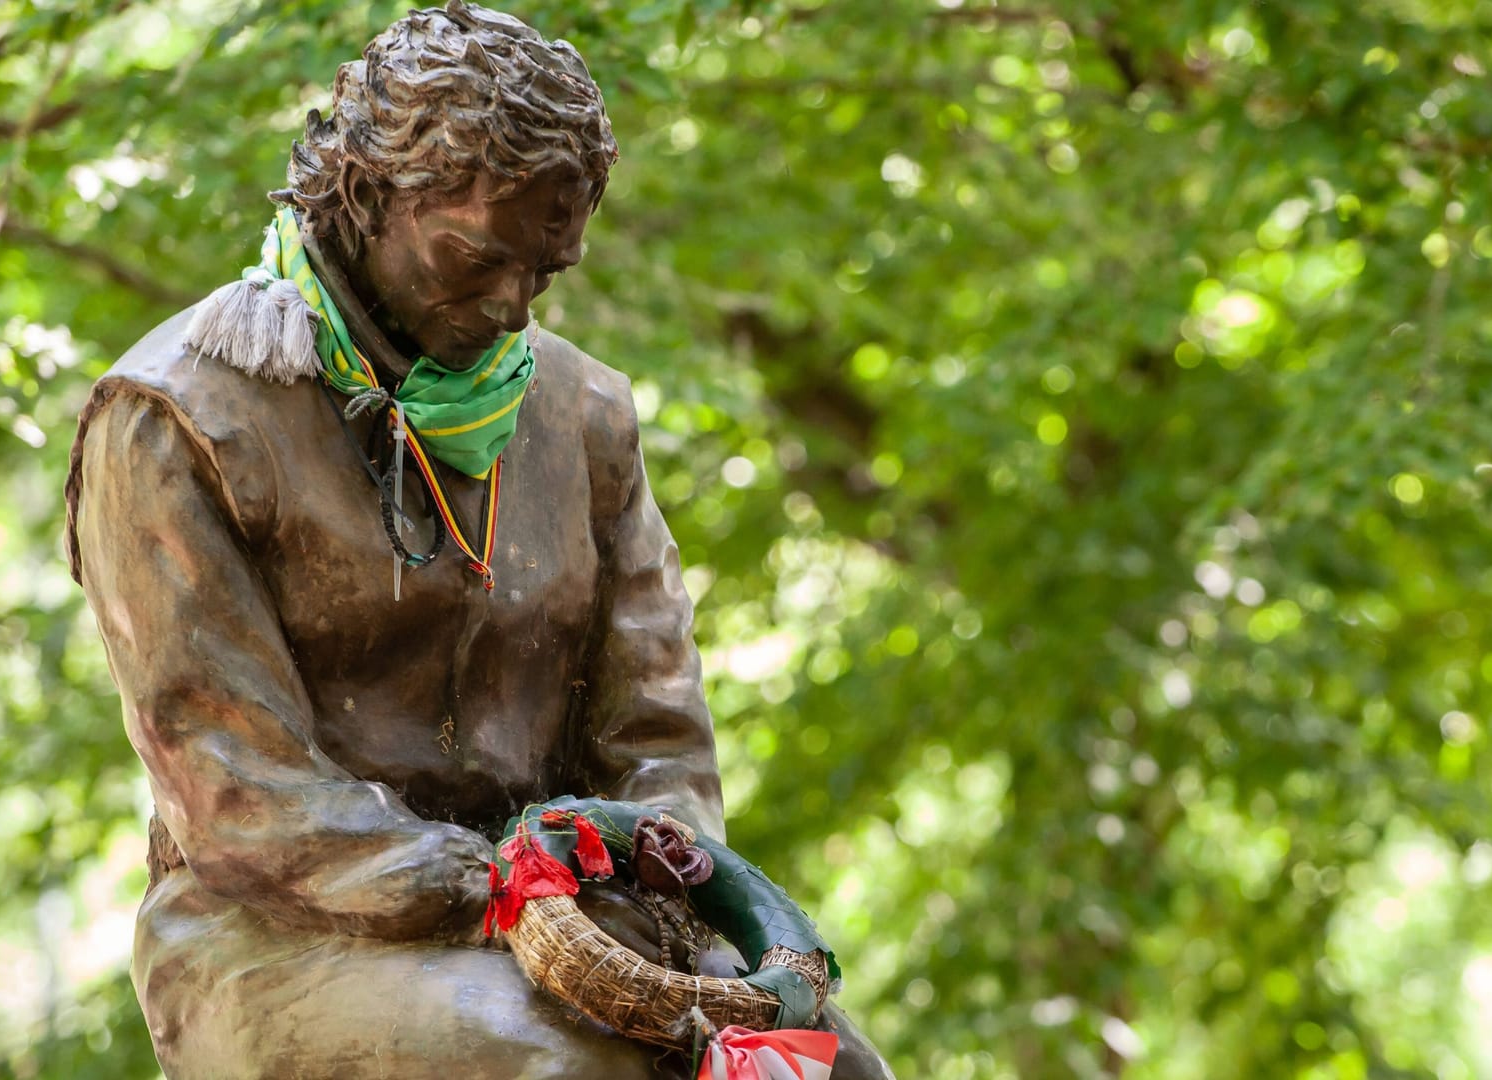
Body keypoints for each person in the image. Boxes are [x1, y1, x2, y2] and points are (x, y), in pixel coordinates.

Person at [64, 3, 890, 1076]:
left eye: (544, 275)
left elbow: (657, 737)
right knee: (552, 1064)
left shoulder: (584, 414)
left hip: (584, 915)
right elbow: (241, 791)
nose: (511, 309)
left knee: (831, 1066)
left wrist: (646, 888)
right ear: (367, 195)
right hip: (280, 934)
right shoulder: (176, 417)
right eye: (478, 257)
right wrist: (498, 887)